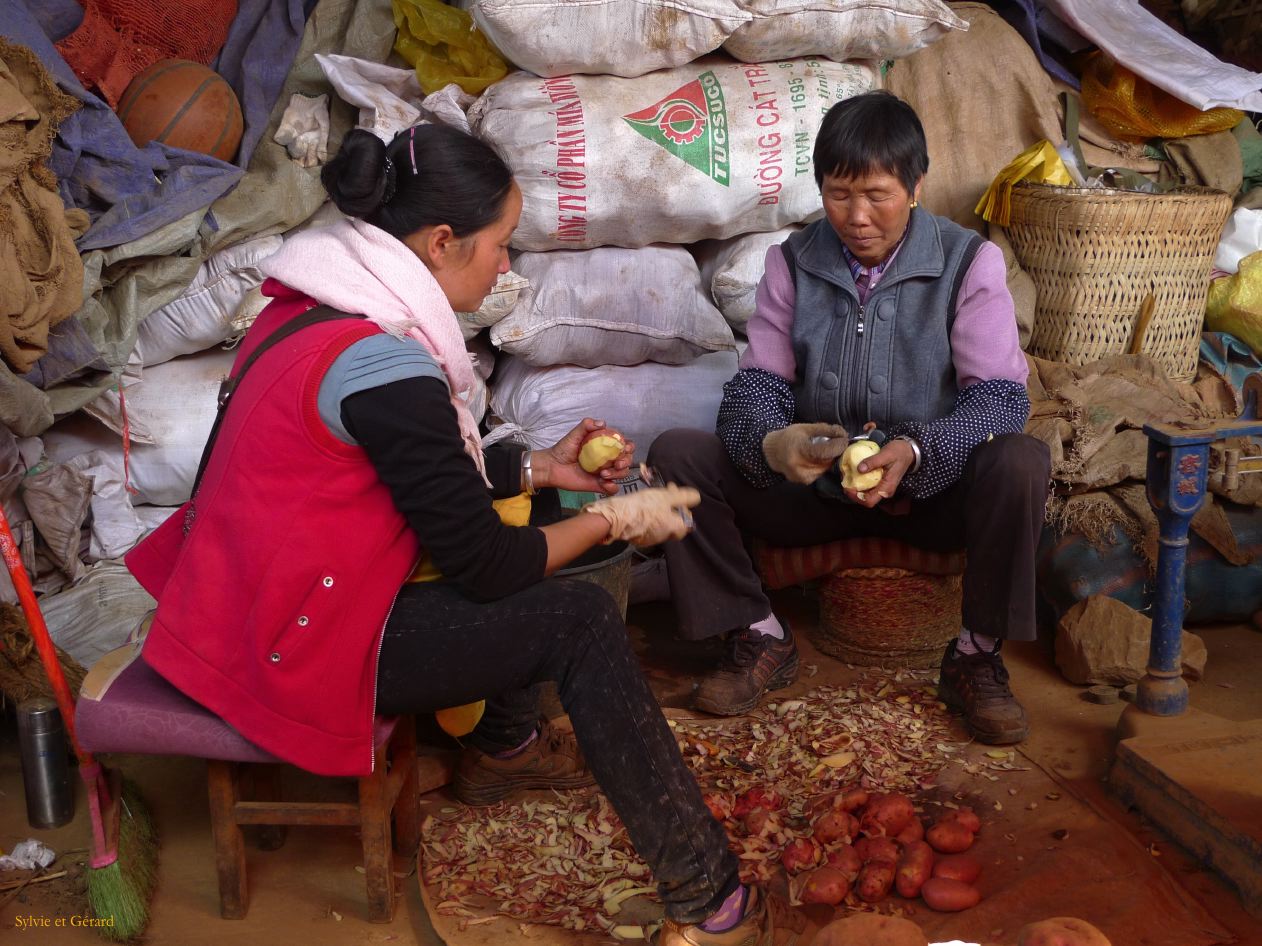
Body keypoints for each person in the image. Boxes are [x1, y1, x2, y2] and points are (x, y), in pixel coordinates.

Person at [124, 124, 811, 945]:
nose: (507, 267)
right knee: (579, 618)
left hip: (244, 601)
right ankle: (711, 898)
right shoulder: (388, 364)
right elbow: (486, 566)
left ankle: (505, 745)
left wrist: (546, 471)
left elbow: (405, 479)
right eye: (500, 245)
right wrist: (615, 517)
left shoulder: (309, 311)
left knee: (533, 521)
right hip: (289, 640)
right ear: (442, 243)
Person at [649, 90, 1051, 745]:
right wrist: (774, 444)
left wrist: (919, 452)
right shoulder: (791, 262)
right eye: (839, 194)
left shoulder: (968, 263)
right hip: (818, 487)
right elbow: (757, 385)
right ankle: (758, 635)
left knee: (1020, 458)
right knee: (678, 453)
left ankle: (976, 656)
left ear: (916, 185)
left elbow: (1000, 399)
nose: (857, 217)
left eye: (877, 194)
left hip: (932, 492)